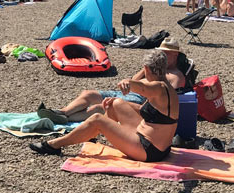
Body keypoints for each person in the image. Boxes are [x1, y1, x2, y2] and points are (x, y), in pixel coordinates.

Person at [29, 50, 179, 162]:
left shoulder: (158, 88)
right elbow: (145, 111)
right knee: (115, 103)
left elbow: (142, 88)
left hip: (148, 150)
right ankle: (91, 134)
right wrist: (119, 102)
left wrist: (128, 83)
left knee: (97, 119)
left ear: (145, 68)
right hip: (159, 146)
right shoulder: (167, 87)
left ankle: (54, 146)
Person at [37, 39, 190, 122]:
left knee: (99, 107)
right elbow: (133, 80)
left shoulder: (176, 76)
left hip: (140, 102)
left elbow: (164, 100)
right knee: (88, 94)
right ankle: (62, 112)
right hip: (129, 93)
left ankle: (62, 119)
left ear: (175, 55)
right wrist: (146, 70)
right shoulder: (153, 67)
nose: (162, 55)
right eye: (161, 52)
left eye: (166, 53)